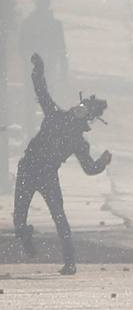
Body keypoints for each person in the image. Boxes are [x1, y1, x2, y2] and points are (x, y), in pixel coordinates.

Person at [14, 53, 111, 275]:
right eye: (82, 103)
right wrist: (38, 68)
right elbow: (41, 91)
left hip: (47, 176)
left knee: (60, 218)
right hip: (27, 170)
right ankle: (24, 235)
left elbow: (89, 169)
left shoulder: (78, 141)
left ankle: (70, 262)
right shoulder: (54, 115)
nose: (81, 107)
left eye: (86, 109)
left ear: (88, 117)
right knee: (19, 219)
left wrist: (103, 162)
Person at [18, 0, 68, 139]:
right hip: (35, 70)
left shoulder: (52, 25)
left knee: (45, 102)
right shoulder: (30, 24)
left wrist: (63, 70)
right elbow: (22, 48)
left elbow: (61, 49)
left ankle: (45, 134)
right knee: (34, 103)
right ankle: (33, 134)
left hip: (46, 70)